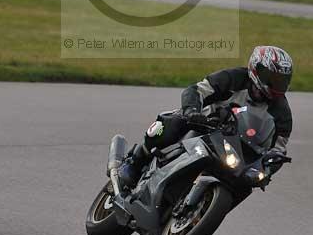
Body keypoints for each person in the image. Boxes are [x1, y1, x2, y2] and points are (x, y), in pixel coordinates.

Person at [118, 45, 293, 189]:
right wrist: (192, 111)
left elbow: (278, 150)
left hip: (239, 148)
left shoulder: (282, 113)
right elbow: (197, 90)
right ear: (257, 69)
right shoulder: (234, 78)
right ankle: (135, 160)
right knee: (174, 122)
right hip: (207, 123)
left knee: (246, 184)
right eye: (273, 78)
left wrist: (267, 168)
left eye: (282, 80)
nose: (277, 84)